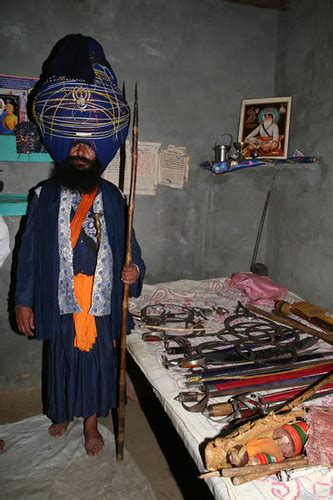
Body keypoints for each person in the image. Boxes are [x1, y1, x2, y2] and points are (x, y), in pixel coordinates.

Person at [15, 34, 145, 457]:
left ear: (99, 153)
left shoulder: (112, 197)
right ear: (63, 150)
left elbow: (132, 251)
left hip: (100, 302)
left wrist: (135, 271)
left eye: (89, 143)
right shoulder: (43, 196)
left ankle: (91, 425)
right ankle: (63, 415)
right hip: (59, 299)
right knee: (61, 364)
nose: (81, 149)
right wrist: (23, 301)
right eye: (74, 143)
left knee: (93, 366)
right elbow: (29, 255)